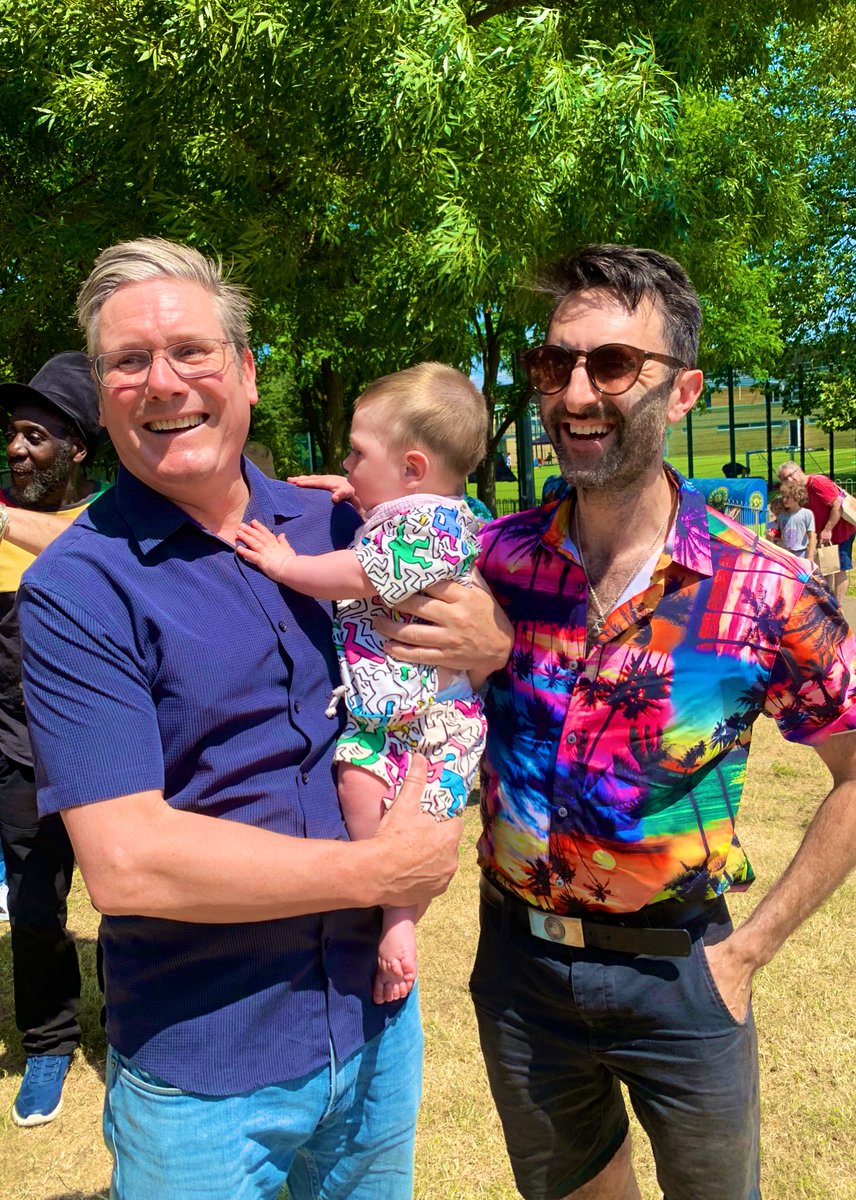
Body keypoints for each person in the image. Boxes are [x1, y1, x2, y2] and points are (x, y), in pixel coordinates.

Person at [17, 238, 510, 1200]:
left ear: (246, 372)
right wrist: (379, 871)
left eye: (193, 351)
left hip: (373, 1028)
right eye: (127, 361)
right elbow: (128, 862)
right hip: (206, 1065)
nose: (164, 383)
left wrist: (487, 637)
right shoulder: (76, 588)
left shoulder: (340, 524)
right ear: (102, 393)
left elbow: (469, 599)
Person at [388, 243, 856, 1200]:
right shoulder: (494, 562)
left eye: (611, 365)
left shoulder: (764, 589)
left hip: (685, 977)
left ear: (682, 391)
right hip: (517, 971)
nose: (574, 393)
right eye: (554, 365)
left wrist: (751, 950)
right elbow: (357, 561)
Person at [237, 363, 490, 1005]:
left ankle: (398, 921)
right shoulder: (418, 511)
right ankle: (386, 898)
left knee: (412, 820)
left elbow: (360, 572)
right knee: (359, 783)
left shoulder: (432, 526)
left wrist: (286, 562)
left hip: (436, 720)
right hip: (389, 716)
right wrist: (363, 496)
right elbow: (386, 532)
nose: (345, 463)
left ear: (410, 468)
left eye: (357, 453)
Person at [0, 352, 109, 1126]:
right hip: (17, 763)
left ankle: (137, 1030)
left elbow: (91, 560)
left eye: (35, 435)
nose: (15, 449)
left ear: (76, 448)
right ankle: (48, 1042)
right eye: (11, 435)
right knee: (36, 910)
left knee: (134, 903)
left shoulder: (114, 518)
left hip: (111, 761)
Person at [777, 460, 854, 604]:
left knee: (840, 568)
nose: (789, 480)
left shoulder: (817, 482)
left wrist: (827, 529)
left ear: (799, 471)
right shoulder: (797, 491)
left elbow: (837, 506)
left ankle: (839, 607)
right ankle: (829, 603)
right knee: (827, 567)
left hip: (840, 530)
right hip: (822, 534)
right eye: (784, 479)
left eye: (790, 476)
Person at [775, 479, 817, 561]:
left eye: (788, 497)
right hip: (785, 553)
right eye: (783, 497)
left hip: (801, 553)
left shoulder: (807, 514)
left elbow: (812, 536)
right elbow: (778, 535)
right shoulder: (782, 516)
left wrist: (810, 555)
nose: (784, 500)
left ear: (798, 497)